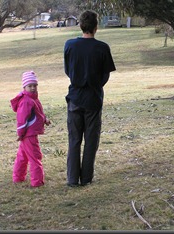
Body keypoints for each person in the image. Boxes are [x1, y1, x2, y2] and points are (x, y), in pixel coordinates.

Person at [64, 10, 116, 187]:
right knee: (91, 140)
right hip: (93, 98)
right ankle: (86, 178)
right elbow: (105, 75)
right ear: (96, 27)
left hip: (75, 98)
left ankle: (72, 179)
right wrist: (96, 85)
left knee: (74, 139)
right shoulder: (102, 47)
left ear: (80, 25)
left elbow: (67, 70)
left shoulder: (69, 45)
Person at [10, 71, 51, 187]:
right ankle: (37, 181)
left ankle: (18, 177)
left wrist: (45, 120)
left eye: (35, 85)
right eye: (30, 86)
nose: (33, 88)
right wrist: (20, 133)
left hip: (29, 134)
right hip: (28, 135)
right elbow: (22, 120)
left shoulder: (33, 98)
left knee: (22, 156)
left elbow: (37, 114)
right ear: (24, 87)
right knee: (35, 157)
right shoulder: (26, 101)